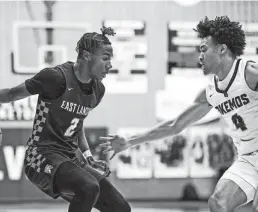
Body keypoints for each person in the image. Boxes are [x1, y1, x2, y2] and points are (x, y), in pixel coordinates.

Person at [0, 27, 131, 212]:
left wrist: (88, 157)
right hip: (40, 156)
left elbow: (77, 122)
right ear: (86, 55)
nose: (110, 65)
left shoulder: (98, 90)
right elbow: (12, 94)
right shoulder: (55, 78)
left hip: (69, 159)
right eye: (105, 58)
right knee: (89, 187)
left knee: (120, 208)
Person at [100, 16, 258, 212]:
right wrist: (129, 141)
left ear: (222, 49)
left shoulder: (249, 73)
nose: (199, 56)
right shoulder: (211, 93)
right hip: (249, 158)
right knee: (218, 203)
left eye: (203, 49)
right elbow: (175, 125)